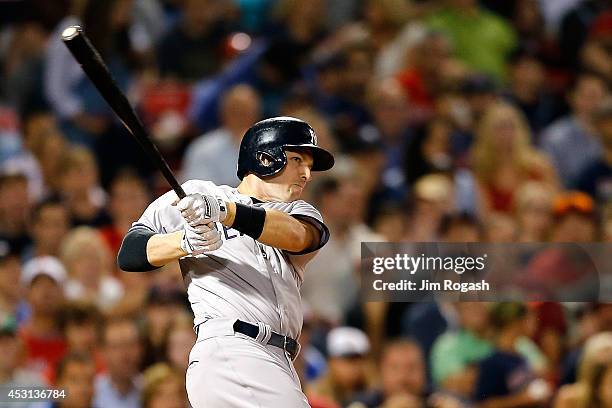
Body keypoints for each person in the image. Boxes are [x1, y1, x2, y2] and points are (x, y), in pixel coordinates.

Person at [117, 116, 334, 407]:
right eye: (297, 160)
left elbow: (298, 236)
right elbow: (131, 252)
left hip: (277, 359)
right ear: (265, 157)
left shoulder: (296, 211)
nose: (307, 174)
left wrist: (225, 212)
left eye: (309, 166)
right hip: (233, 348)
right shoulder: (200, 193)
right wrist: (183, 242)